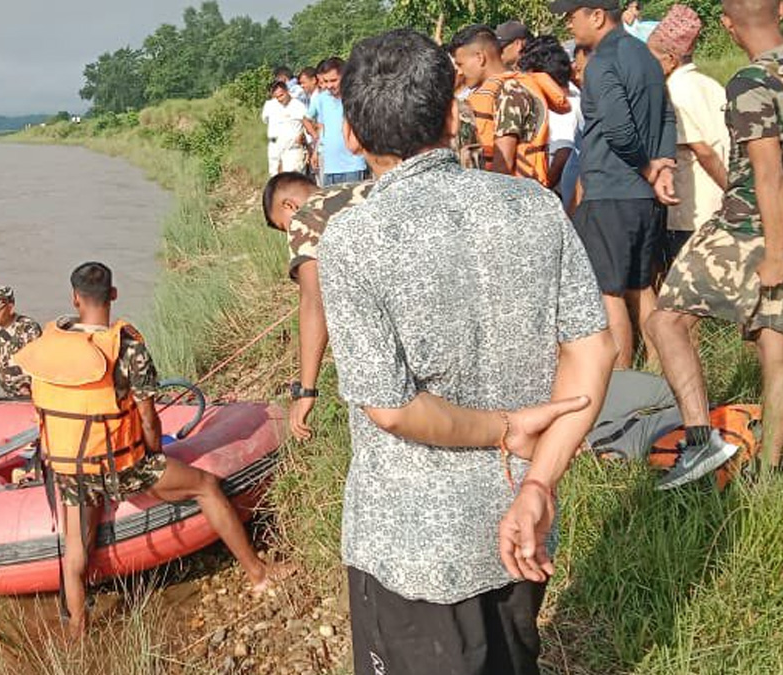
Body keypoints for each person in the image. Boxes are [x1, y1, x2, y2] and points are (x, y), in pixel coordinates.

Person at [321, 29, 616, 674]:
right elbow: (596, 351)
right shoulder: (535, 207)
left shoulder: (351, 240)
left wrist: (505, 428)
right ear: (455, 114)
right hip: (521, 518)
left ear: (351, 135)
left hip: (411, 547)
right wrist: (539, 481)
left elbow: (392, 409)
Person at [11, 262, 291, 637]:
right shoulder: (127, 347)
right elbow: (147, 417)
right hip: (123, 465)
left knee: (75, 553)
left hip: (70, 468)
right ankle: (258, 574)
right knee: (206, 486)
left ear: (74, 298)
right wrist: (154, 452)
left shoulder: (49, 347)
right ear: (113, 295)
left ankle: (78, 633)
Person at [647, 0, 783, 488]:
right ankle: (769, 471)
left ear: (726, 25)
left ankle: (703, 440)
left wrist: (775, 252)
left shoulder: (752, 81)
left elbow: (766, 170)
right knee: (774, 346)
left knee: (666, 322)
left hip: (749, 228)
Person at [556, 0, 679, 370]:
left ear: (596, 15)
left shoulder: (601, 63)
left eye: (572, 17)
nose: (569, 26)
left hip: (611, 191)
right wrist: (665, 166)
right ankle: (659, 375)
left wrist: (647, 168)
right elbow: (667, 116)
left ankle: (623, 387)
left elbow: (618, 129)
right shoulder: (644, 55)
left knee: (609, 293)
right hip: (642, 198)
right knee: (641, 288)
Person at [262, 172, 374, 439]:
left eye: (284, 226)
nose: (289, 234)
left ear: (289, 206)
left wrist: (306, 391)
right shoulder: (364, 188)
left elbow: (314, 301)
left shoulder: (306, 217)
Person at [648, 5, 731, 263]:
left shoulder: (675, 91)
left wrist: (730, 190)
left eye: (651, 58)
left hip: (690, 214)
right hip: (717, 208)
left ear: (670, 59)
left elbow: (703, 151)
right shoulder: (711, 85)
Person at [451, 24, 571, 185]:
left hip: (517, 197)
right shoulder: (506, 87)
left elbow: (503, 164)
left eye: (460, 64)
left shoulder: (510, 91)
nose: (459, 72)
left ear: (480, 57)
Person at [519, 36, 584, 201]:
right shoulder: (575, 98)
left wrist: (543, 190)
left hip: (558, 195)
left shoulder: (560, 109)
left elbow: (564, 151)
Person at [304, 57, 370, 186]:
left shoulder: (356, 98)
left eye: (333, 80)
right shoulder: (322, 99)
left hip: (354, 165)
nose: (329, 85)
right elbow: (323, 128)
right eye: (326, 81)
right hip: (330, 167)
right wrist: (316, 152)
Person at [261, 81, 308, 176]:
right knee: (274, 176)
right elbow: (265, 119)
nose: (279, 99)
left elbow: (307, 124)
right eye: (276, 97)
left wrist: (303, 136)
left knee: (292, 177)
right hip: (274, 145)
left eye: (281, 95)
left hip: (292, 147)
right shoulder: (270, 105)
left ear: (287, 91)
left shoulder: (298, 106)